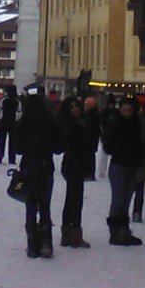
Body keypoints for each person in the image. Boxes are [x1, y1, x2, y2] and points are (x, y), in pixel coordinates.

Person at [16, 89, 60, 258]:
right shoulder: (50, 123)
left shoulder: (22, 124)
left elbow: (18, 149)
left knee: (30, 204)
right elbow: (58, 148)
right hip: (46, 166)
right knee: (45, 204)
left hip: (28, 166)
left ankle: (32, 244)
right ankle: (46, 242)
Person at [102, 96, 144, 246]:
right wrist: (119, 150)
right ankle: (115, 231)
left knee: (127, 198)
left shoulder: (136, 124)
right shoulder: (115, 123)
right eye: (124, 110)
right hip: (119, 164)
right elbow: (107, 145)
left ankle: (124, 229)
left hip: (131, 164)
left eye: (129, 110)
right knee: (118, 198)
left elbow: (141, 143)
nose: (127, 113)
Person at [58, 96, 92, 248]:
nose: (76, 109)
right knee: (74, 199)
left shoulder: (81, 123)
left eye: (77, 106)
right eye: (72, 107)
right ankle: (73, 234)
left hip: (77, 164)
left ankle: (69, 234)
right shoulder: (71, 125)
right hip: (73, 164)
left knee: (74, 198)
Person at [0, 86, 19, 165]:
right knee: (13, 142)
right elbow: (19, 112)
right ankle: (12, 159)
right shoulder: (17, 101)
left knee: (1, 141)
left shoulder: (3, 100)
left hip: (4, 122)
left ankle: (0, 157)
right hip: (13, 123)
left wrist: (1, 119)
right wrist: (16, 120)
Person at [82, 96, 101, 180]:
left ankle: (89, 174)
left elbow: (92, 129)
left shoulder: (91, 117)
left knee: (89, 157)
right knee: (89, 156)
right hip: (91, 140)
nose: (84, 107)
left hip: (89, 140)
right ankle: (89, 173)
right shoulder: (93, 115)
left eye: (86, 105)